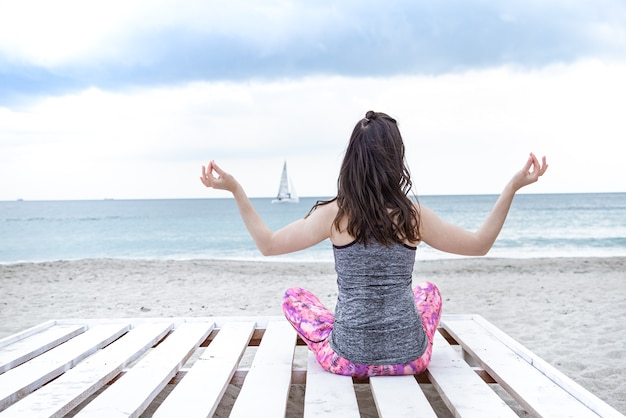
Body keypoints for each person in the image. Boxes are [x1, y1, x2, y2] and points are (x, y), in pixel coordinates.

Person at [200, 110, 548, 378]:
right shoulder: (413, 215)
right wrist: (512, 187)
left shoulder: (334, 214)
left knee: (294, 298)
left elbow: (269, 244)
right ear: (396, 159)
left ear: (352, 159)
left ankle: (354, 328)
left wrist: (235, 189)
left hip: (346, 358)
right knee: (428, 291)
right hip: (411, 359)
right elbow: (479, 244)